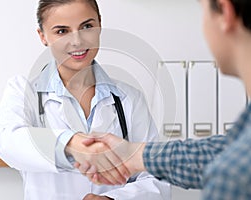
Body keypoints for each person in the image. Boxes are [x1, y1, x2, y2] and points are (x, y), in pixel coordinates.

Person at [0, 0, 171, 199]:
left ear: (99, 25)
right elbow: (8, 142)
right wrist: (71, 144)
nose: (77, 41)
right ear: (43, 36)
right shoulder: (23, 91)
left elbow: (155, 178)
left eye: (87, 26)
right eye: (62, 31)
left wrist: (112, 199)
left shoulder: (129, 99)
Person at [77, 0, 251, 199]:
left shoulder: (231, 181)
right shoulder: (241, 144)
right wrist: (133, 155)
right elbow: (220, 152)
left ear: (225, 12)